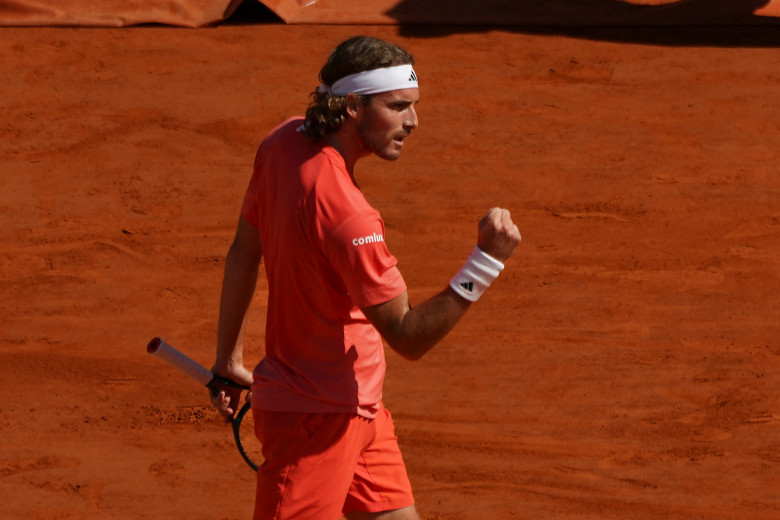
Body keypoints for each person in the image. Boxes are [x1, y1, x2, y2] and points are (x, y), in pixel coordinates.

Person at [208, 36, 521, 520]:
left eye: (413, 107)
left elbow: (243, 251)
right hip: (313, 423)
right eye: (398, 107)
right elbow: (407, 335)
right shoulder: (349, 217)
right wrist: (486, 261)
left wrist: (227, 360)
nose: (413, 122)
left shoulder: (280, 143)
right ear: (352, 106)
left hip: (361, 406)